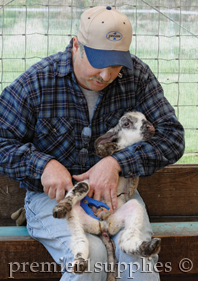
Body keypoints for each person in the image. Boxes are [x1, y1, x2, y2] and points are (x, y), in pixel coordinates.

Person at [0, 6, 184, 280]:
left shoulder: (138, 78)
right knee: (91, 258)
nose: (106, 75)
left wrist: (115, 163)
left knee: (139, 262)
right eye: (99, 62)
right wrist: (44, 165)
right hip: (55, 200)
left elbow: (173, 137)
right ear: (77, 45)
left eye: (116, 64)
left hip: (120, 197)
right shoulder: (36, 82)